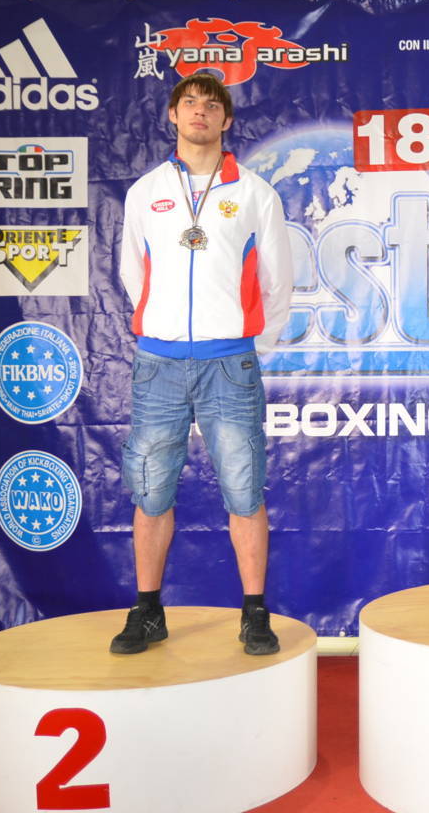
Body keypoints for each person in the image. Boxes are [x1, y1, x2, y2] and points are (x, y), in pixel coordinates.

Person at [113, 73, 294, 655]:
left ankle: (255, 613)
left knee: (244, 490)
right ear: (173, 114)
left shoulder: (256, 194)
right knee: (150, 492)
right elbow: (132, 271)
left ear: (226, 120)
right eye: (189, 102)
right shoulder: (145, 191)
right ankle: (147, 611)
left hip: (229, 363)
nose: (199, 112)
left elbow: (278, 280)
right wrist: (162, 325)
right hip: (158, 363)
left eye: (211, 105)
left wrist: (246, 343)